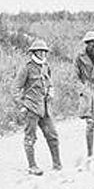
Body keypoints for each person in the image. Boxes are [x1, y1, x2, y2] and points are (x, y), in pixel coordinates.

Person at [14, 39, 61, 175]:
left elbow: (50, 83)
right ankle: (32, 166)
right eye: (39, 51)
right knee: (30, 137)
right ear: (33, 52)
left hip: (45, 109)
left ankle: (57, 164)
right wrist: (22, 105)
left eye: (44, 51)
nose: (42, 54)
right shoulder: (26, 68)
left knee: (53, 135)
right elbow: (16, 88)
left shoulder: (46, 66)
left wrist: (51, 91)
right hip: (31, 108)